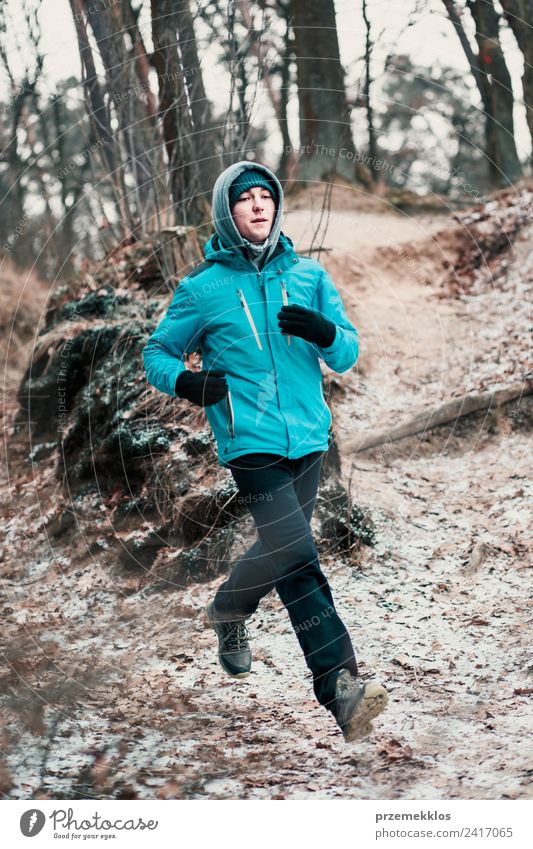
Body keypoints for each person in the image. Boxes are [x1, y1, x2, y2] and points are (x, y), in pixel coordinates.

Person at [142, 160, 389, 741]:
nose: (258, 205)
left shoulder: (307, 276)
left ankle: (229, 607)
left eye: (266, 196)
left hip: (308, 439)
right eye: (244, 198)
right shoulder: (201, 289)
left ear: (277, 208)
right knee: (299, 557)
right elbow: (158, 353)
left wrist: (325, 333)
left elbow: (348, 351)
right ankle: (342, 690)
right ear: (226, 213)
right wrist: (189, 383)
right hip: (249, 443)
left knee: (282, 549)